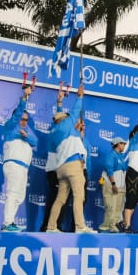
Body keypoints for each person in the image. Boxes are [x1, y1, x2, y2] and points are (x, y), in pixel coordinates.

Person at [45, 83, 93, 234]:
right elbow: (76, 109)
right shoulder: (67, 124)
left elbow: (59, 116)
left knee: (60, 199)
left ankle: (51, 227)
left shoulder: (54, 132)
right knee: (79, 196)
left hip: (61, 169)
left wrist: (59, 103)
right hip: (73, 166)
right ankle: (80, 226)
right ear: (65, 119)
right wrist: (80, 95)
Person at [0, 83, 37, 232]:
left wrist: (26, 136)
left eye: (26, 120)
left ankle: (11, 222)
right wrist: (25, 97)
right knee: (13, 194)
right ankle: (7, 223)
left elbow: (36, 142)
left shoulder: (27, 132)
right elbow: (18, 112)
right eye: (21, 118)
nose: (23, 121)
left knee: (19, 197)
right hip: (13, 165)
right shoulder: (11, 127)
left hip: (23, 168)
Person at [97, 137, 128, 233]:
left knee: (118, 209)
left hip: (120, 186)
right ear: (118, 144)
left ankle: (113, 226)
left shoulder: (120, 156)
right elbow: (110, 170)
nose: (124, 145)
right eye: (123, 144)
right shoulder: (111, 155)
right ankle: (104, 228)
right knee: (111, 207)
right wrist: (113, 184)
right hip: (111, 185)